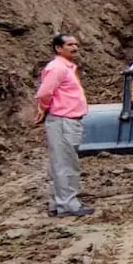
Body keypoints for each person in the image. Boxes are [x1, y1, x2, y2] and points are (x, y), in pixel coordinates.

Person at [34, 33, 94, 217]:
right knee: (65, 163)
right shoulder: (57, 68)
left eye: (76, 44)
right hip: (62, 120)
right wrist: (43, 109)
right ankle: (67, 205)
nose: (74, 48)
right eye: (69, 45)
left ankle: (58, 202)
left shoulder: (65, 67)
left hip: (67, 120)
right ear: (58, 48)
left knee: (62, 162)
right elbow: (44, 92)